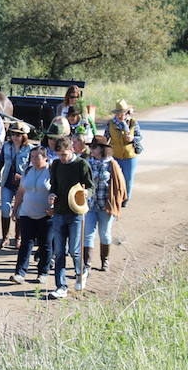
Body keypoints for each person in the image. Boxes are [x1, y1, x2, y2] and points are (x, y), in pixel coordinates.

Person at [48, 137, 94, 299]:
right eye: (59, 155)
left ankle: (81, 272)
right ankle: (61, 286)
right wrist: (52, 194)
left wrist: (87, 193)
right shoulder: (56, 165)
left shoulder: (82, 165)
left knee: (74, 250)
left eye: (65, 155)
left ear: (72, 150)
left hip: (76, 212)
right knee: (60, 252)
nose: (62, 158)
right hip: (59, 212)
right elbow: (54, 185)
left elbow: (90, 186)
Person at [9, 146, 52, 284]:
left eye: (37, 157)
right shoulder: (27, 171)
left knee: (45, 244)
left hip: (45, 214)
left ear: (45, 157)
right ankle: (20, 273)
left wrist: (54, 208)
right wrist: (15, 209)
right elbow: (21, 191)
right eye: (32, 157)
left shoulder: (51, 171)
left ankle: (43, 273)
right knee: (26, 244)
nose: (33, 160)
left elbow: (57, 191)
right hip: (26, 212)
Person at [83, 136, 127, 272]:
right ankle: (87, 264)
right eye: (91, 147)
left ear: (102, 149)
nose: (92, 150)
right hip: (90, 206)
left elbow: (120, 185)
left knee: (105, 234)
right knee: (88, 234)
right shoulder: (87, 163)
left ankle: (104, 260)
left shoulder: (111, 164)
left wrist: (118, 203)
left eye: (94, 147)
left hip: (106, 207)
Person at [0, 121, 31, 249]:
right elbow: (1, 161)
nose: (15, 137)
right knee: (5, 208)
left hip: (22, 184)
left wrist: (23, 177)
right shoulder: (6, 146)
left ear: (24, 136)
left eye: (18, 134)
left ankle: (18, 238)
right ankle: (5, 238)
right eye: (13, 134)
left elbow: (32, 168)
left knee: (20, 211)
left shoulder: (30, 149)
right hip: (7, 182)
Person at [104, 99, 142, 207]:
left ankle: (125, 200)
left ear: (126, 112)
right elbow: (106, 137)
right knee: (114, 178)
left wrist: (132, 138)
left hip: (129, 156)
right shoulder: (110, 124)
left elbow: (140, 137)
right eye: (118, 113)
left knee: (128, 180)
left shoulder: (133, 122)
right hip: (114, 155)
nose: (120, 115)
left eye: (122, 113)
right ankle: (115, 198)